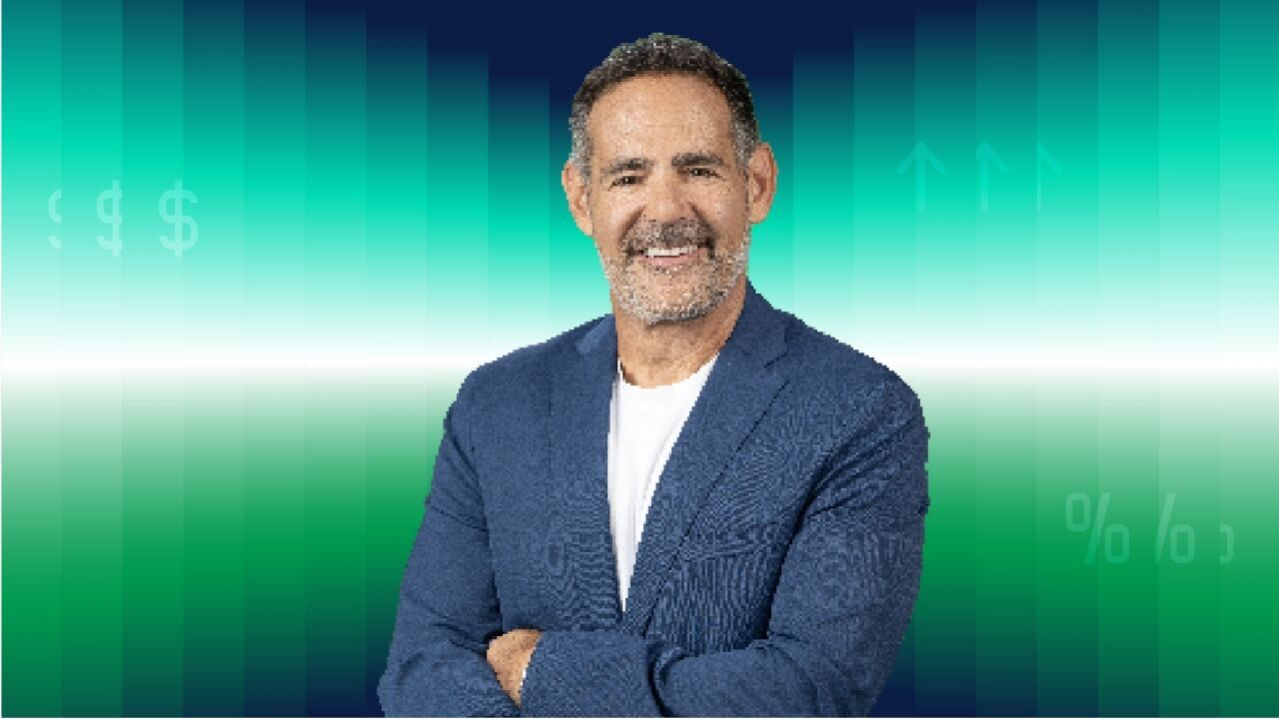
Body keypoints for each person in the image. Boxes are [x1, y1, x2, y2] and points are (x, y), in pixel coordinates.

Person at [378, 32, 930, 717]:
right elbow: (421, 667)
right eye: (628, 176)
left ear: (757, 184)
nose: (666, 211)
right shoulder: (495, 405)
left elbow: (806, 691)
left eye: (698, 170)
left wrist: (541, 670)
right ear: (582, 199)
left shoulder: (860, 410)